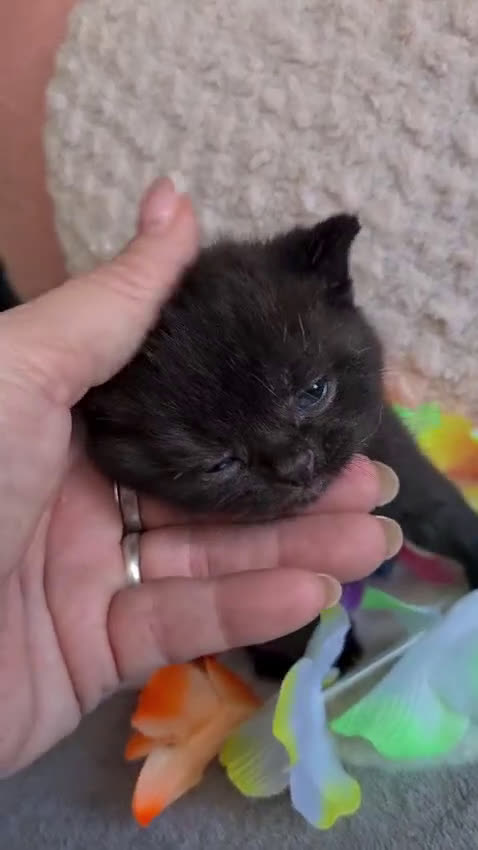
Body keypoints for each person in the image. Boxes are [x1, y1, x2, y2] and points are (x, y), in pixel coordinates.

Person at [0, 8, 402, 778]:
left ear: (335, 286)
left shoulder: (301, 314)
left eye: (313, 390)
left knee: (405, 491)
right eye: (217, 462)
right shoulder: (109, 447)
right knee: (254, 583)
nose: (295, 467)